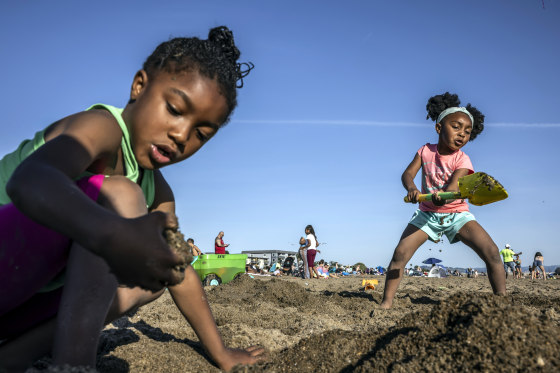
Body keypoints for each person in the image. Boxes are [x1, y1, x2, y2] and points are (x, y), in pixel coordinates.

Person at [0, 26, 264, 371]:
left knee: (152, 278)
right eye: (174, 108)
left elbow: (181, 270)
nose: (182, 134)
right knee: (122, 192)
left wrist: (221, 352)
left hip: (17, 303)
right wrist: (110, 233)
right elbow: (29, 181)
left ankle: (11, 358)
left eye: (201, 133)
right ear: (139, 86)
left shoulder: (158, 191)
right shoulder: (100, 128)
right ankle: (73, 365)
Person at [380, 92, 506, 309]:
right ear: (439, 127)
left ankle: (502, 301)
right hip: (427, 214)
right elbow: (407, 174)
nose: (462, 134)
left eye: (467, 131)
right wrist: (412, 189)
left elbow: (454, 186)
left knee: (492, 252)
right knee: (400, 253)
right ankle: (386, 302)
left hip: (457, 214)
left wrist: (444, 196)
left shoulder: (463, 158)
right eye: (456, 127)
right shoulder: (425, 151)